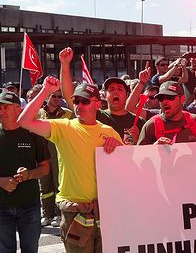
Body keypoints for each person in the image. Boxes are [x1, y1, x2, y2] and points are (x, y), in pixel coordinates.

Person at [18, 77, 123, 253]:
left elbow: (126, 168)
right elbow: (24, 121)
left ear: (98, 104)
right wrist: (45, 91)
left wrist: (120, 149)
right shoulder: (64, 127)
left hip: (105, 211)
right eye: (76, 100)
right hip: (75, 211)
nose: (79, 105)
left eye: (85, 101)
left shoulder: (109, 132)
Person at [59, 47, 146, 144]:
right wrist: (65, 64)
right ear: (105, 95)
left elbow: (147, 151)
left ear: (127, 95)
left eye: (120, 89)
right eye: (111, 89)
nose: (115, 92)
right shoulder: (95, 115)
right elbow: (69, 96)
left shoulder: (139, 121)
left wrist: (138, 140)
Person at [0, 91, 50, 253]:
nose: (1, 111)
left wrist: (29, 174)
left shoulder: (33, 132)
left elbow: (45, 168)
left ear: (18, 109)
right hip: (1, 206)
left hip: (29, 205)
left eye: (5, 107)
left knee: (30, 249)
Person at [137, 81, 196, 147]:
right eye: (161, 98)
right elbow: (139, 158)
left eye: (170, 97)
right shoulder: (151, 125)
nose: (165, 102)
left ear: (182, 99)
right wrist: (153, 149)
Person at [37, 89, 73, 228]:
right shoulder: (39, 113)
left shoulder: (67, 114)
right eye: (54, 96)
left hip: (60, 153)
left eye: (59, 96)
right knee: (45, 186)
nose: (57, 98)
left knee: (59, 183)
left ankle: (59, 214)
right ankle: (47, 214)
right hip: (42, 154)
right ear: (47, 97)